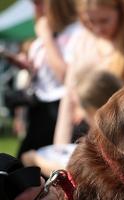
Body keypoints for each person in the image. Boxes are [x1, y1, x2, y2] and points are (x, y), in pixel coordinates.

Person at [54, 0, 124, 145]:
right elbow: (68, 96)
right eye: (89, 21)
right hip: (81, 132)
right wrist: (60, 144)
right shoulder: (81, 40)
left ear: (120, 13)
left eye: (104, 21)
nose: (97, 28)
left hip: (122, 136)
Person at [22, 70, 122, 177]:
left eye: (76, 105)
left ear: (92, 110)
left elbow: (75, 176)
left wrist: (36, 161)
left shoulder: (105, 140)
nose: (76, 113)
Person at [16, 0, 79, 159]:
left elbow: (66, 77)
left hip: (59, 108)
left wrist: (46, 37)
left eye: (39, 2)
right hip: (38, 107)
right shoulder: (44, 31)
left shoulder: (75, 32)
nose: (35, 7)